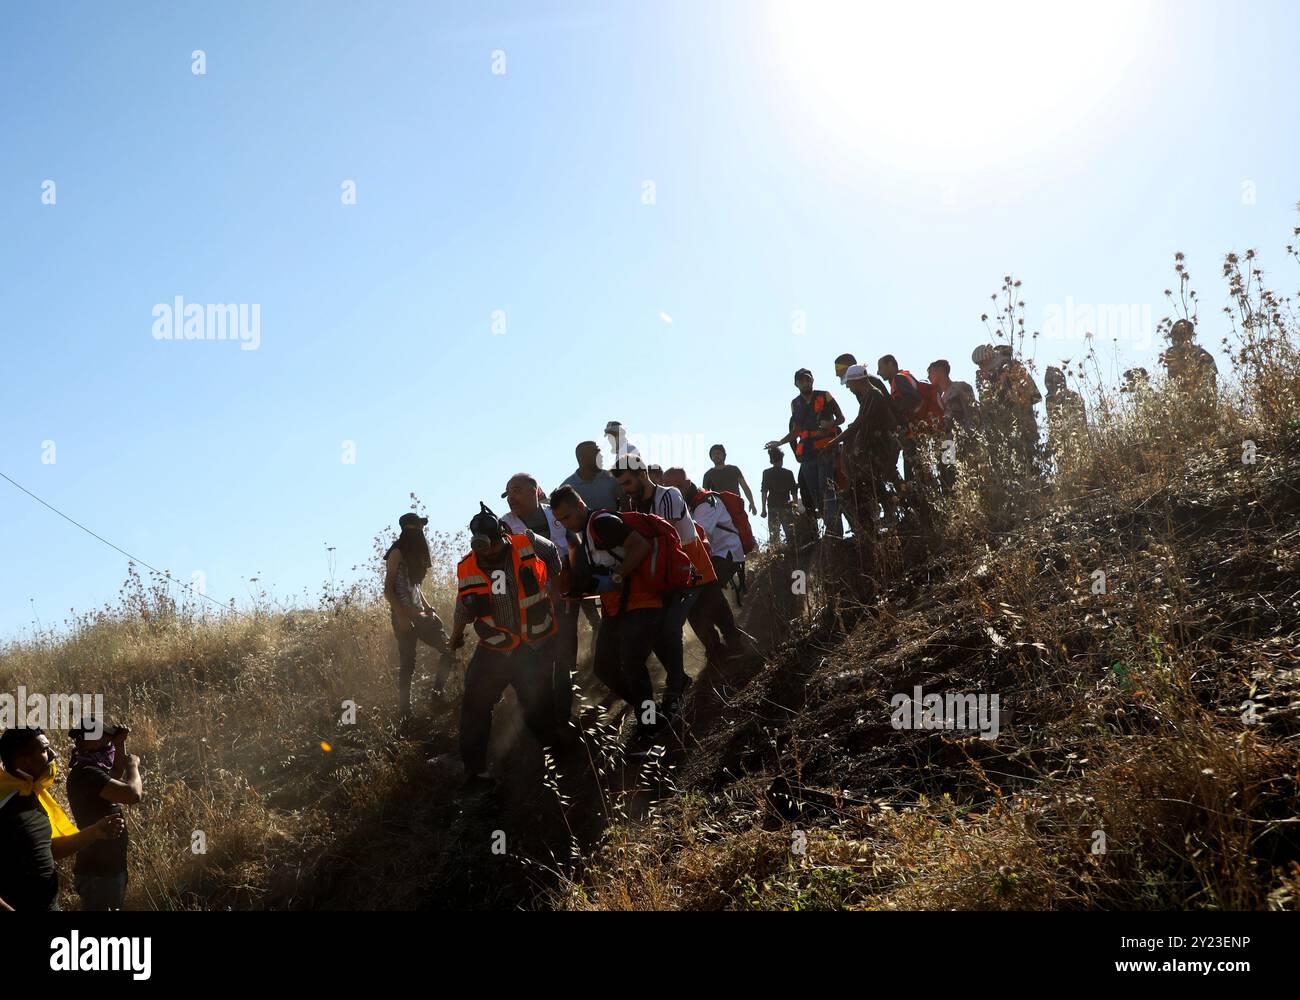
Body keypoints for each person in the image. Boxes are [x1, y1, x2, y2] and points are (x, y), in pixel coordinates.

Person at [450, 503, 562, 795]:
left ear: (503, 535)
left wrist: (556, 587)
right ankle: (475, 773)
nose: (486, 552)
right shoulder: (467, 565)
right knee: (475, 705)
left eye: (491, 545)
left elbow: (553, 554)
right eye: (481, 547)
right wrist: (456, 635)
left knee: (537, 706)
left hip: (532, 643)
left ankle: (556, 758)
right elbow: (463, 604)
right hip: (495, 647)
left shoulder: (527, 542)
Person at [550, 486, 672, 746]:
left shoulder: (602, 522)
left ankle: (650, 724)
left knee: (632, 664)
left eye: (567, 517)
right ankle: (651, 712)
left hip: (641, 602)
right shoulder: (585, 533)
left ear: (580, 505)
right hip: (617, 607)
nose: (564, 524)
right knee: (604, 667)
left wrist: (616, 576)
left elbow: (640, 546)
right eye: (559, 520)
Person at [613, 457, 711, 712]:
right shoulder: (635, 502)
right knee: (658, 628)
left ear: (642, 474)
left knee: (669, 627)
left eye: (627, 482)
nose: (625, 488)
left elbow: (666, 540)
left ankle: (677, 686)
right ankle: (681, 680)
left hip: (689, 569)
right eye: (621, 484)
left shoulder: (668, 495)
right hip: (665, 576)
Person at [0, 727, 125, 911]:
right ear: (22, 759)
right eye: (44, 750)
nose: (53, 754)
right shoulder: (4, 803)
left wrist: (95, 832)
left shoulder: (31, 795)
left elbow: (47, 850)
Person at [502, 473, 581, 731]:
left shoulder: (555, 514)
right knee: (542, 659)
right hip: (532, 606)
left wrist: (579, 573)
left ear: (534, 490)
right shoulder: (504, 525)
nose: (511, 497)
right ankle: (545, 719)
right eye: (507, 494)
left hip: (566, 593)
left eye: (516, 490)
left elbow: (574, 542)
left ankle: (565, 713)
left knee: (565, 655)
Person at [662, 469, 760, 668]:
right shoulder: (689, 504)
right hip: (710, 556)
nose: (676, 492)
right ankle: (716, 649)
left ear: (688, 482)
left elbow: (697, 533)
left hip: (726, 554)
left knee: (705, 594)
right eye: (671, 489)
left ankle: (734, 642)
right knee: (694, 602)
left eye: (678, 487)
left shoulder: (706, 503)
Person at [384, 512, 455, 720]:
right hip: (403, 616)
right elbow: (388, 590)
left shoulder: (415, 553)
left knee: (448, 649)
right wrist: (402, 615)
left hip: (421, 614)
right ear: (407, 528)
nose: (420, 531)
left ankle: (437, 695)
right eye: (416, 527)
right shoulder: (396, 552)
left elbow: (415, 587)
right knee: (408, 663)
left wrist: (429, 608)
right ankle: (405, 713)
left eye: (421, 527)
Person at [65, 719, 142, 911]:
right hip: (99, 873)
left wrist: (119, 744)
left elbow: (115, 772)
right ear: (91, 742)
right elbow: (132, 794)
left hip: (103, 870)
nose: (107, 744)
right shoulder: (87, 773)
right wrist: (133, 766)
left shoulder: (88, 770)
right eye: (104, 739)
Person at [764, 369, 846, 538]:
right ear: (796, 384)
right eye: (801, 381)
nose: (805, 383)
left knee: (827, 489)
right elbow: (797, 431)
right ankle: (828, 532)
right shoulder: (795, 404)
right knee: (815, 494)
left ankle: (835, 534)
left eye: (807, 380)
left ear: (812, 380)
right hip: (808, 454)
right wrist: (779, 442)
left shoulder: (825, 396)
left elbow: (841, 418)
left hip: (827, 449)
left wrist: (830, 424)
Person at [832, 364, 901, 529]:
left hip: (880, 449)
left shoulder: (873, 396)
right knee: (872, 482)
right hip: (875, 449)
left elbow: (859, 424)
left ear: (857, 380)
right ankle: (877, 519)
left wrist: (833, 442)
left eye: (850, 383)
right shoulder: (869, 397)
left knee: (874, 480)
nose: (848, 387)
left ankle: (890, 514)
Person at [877, 355, 943, 484]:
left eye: (880, 367)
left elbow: (914, 398)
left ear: (890, 364)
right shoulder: (903, 377)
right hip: (918, 432)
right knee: (921, 472)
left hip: (915, 434)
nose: (878, 372)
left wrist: (894, 409)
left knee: (914, 475)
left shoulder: (899, 379)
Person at [1162, 319, 1218, 401]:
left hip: (1200, 401)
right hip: (1178, 402)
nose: (1175, 341)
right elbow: (1171, 381)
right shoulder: (1170, 353)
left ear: (1189, 336)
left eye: (1180, 336)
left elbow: (1213, 384)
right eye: (1175, 337)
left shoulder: (1204, 356)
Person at [561, 441, 622, 513]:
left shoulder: (611, 477)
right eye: (595, 452)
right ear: (582, 458)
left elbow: (625, 500)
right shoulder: (567, 489)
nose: (601, 456)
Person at [701, 445, 757, 515]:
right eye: (713, 454)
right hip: (718, 510)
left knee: (740, 525)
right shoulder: (708, 474)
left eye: (718, 453)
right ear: (711, 457)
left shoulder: (734, 469)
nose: (716, 456)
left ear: (724, 455)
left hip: (735, 506)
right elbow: (705, 495)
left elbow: (745, 487)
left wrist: (752, 503)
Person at [760, 447, 799, 547]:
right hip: (786, 506)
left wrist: (763, 509)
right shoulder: (788, 473)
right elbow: (794, 492)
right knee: (790, 535)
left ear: (771, 460)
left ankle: (776, 557)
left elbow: (764, 492)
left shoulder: (766, 473)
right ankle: (791, 556)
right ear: (782, 459)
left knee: (774, 537)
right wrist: (796, 508)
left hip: (772, 506)